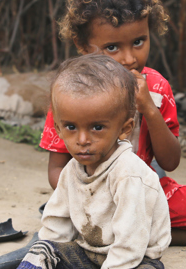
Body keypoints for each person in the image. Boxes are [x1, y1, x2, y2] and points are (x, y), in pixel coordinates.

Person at [39, 0, 186, 248]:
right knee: (60, 213)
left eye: (139, 42)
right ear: (83, 46)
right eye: (112, 47)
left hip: (144, 190)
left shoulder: (156, 88)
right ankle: (169, 235)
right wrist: (85, 192)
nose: (129, 58)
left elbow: (170, 162)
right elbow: (56, 171)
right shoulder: (72, 92)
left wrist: (149, 109)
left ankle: (134, 231)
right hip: (91, 195)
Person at [18, 54, 170, 269]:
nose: (82, 140)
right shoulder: (72, 169)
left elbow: (130, 243)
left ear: (125, 129)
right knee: (42, 251)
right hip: (89, 252)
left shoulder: (129, 173)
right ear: (58, 128)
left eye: (97, 127)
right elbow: (57, 221)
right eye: (71, 127)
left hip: (135, 259)